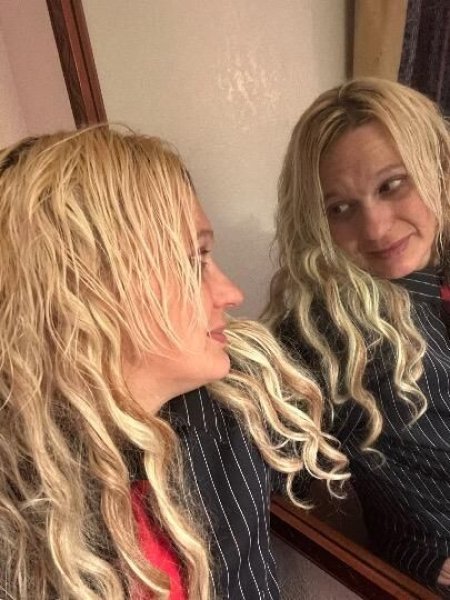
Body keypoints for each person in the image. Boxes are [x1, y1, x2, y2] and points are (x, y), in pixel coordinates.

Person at [0, 126, 348, 600]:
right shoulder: (20, 500)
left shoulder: (232, 410)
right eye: (195, 260)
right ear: (87, 289)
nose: (231, 293)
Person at [263, 77, 450, 595]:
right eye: (340, 208)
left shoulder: (432, 276)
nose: (376, 228)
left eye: (392, 185)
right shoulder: (334, 330)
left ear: (437, 168)